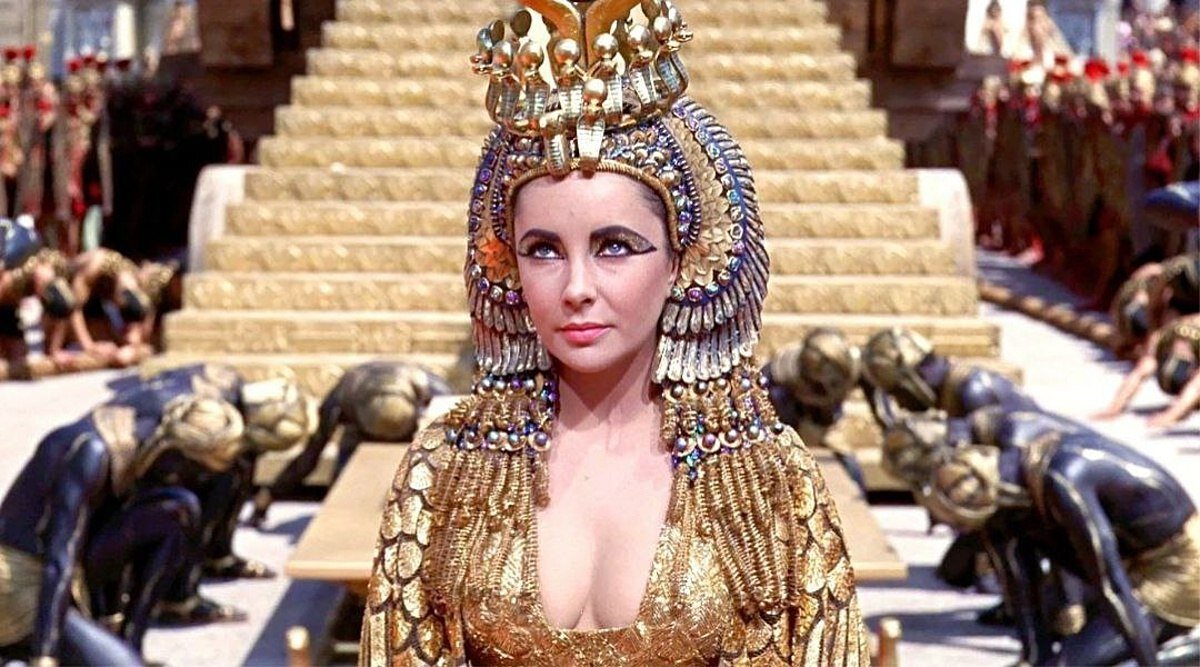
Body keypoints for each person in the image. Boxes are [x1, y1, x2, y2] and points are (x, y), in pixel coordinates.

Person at [360, 1, 869, 664]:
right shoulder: (448, 467)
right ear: (507, 265)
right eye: (543, 249)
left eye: (615, 247)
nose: (576, 287)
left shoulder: (768, 480)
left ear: (684, 260)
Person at [923, 406, 1199, 666]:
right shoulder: (1012, 491)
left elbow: (1112, 587)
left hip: (1180, 565)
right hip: (1131, 562)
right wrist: (1033, 659)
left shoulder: (1065, 480)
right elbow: (1022, 590)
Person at [0, 391, 244, 665]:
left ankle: (128, 641)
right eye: (191, 469)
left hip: (69, 574)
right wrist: (45, 655)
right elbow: (59, 560)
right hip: (20, 580)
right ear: (173, 450)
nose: (186, 478)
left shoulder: (141, 438)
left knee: (179, 508)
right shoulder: (90, 453)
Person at [249, 360, 450, 527]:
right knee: (343, 486)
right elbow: (312, 452)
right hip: (360, 436)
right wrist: (269, 495)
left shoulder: (433, 389)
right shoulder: (344, 394)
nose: (385, 443)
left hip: (409, 434)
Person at [861, 327, 1039, 426]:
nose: (901, 405)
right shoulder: (955, 394)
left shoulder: (975, 393)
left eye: (899, 394)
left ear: (914, 382)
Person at [763, 328, 870, 490]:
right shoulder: (781, 373)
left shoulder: (855, 366)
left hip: (827, 420)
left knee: (849, 462)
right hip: (787, 423)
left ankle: (859, 492)